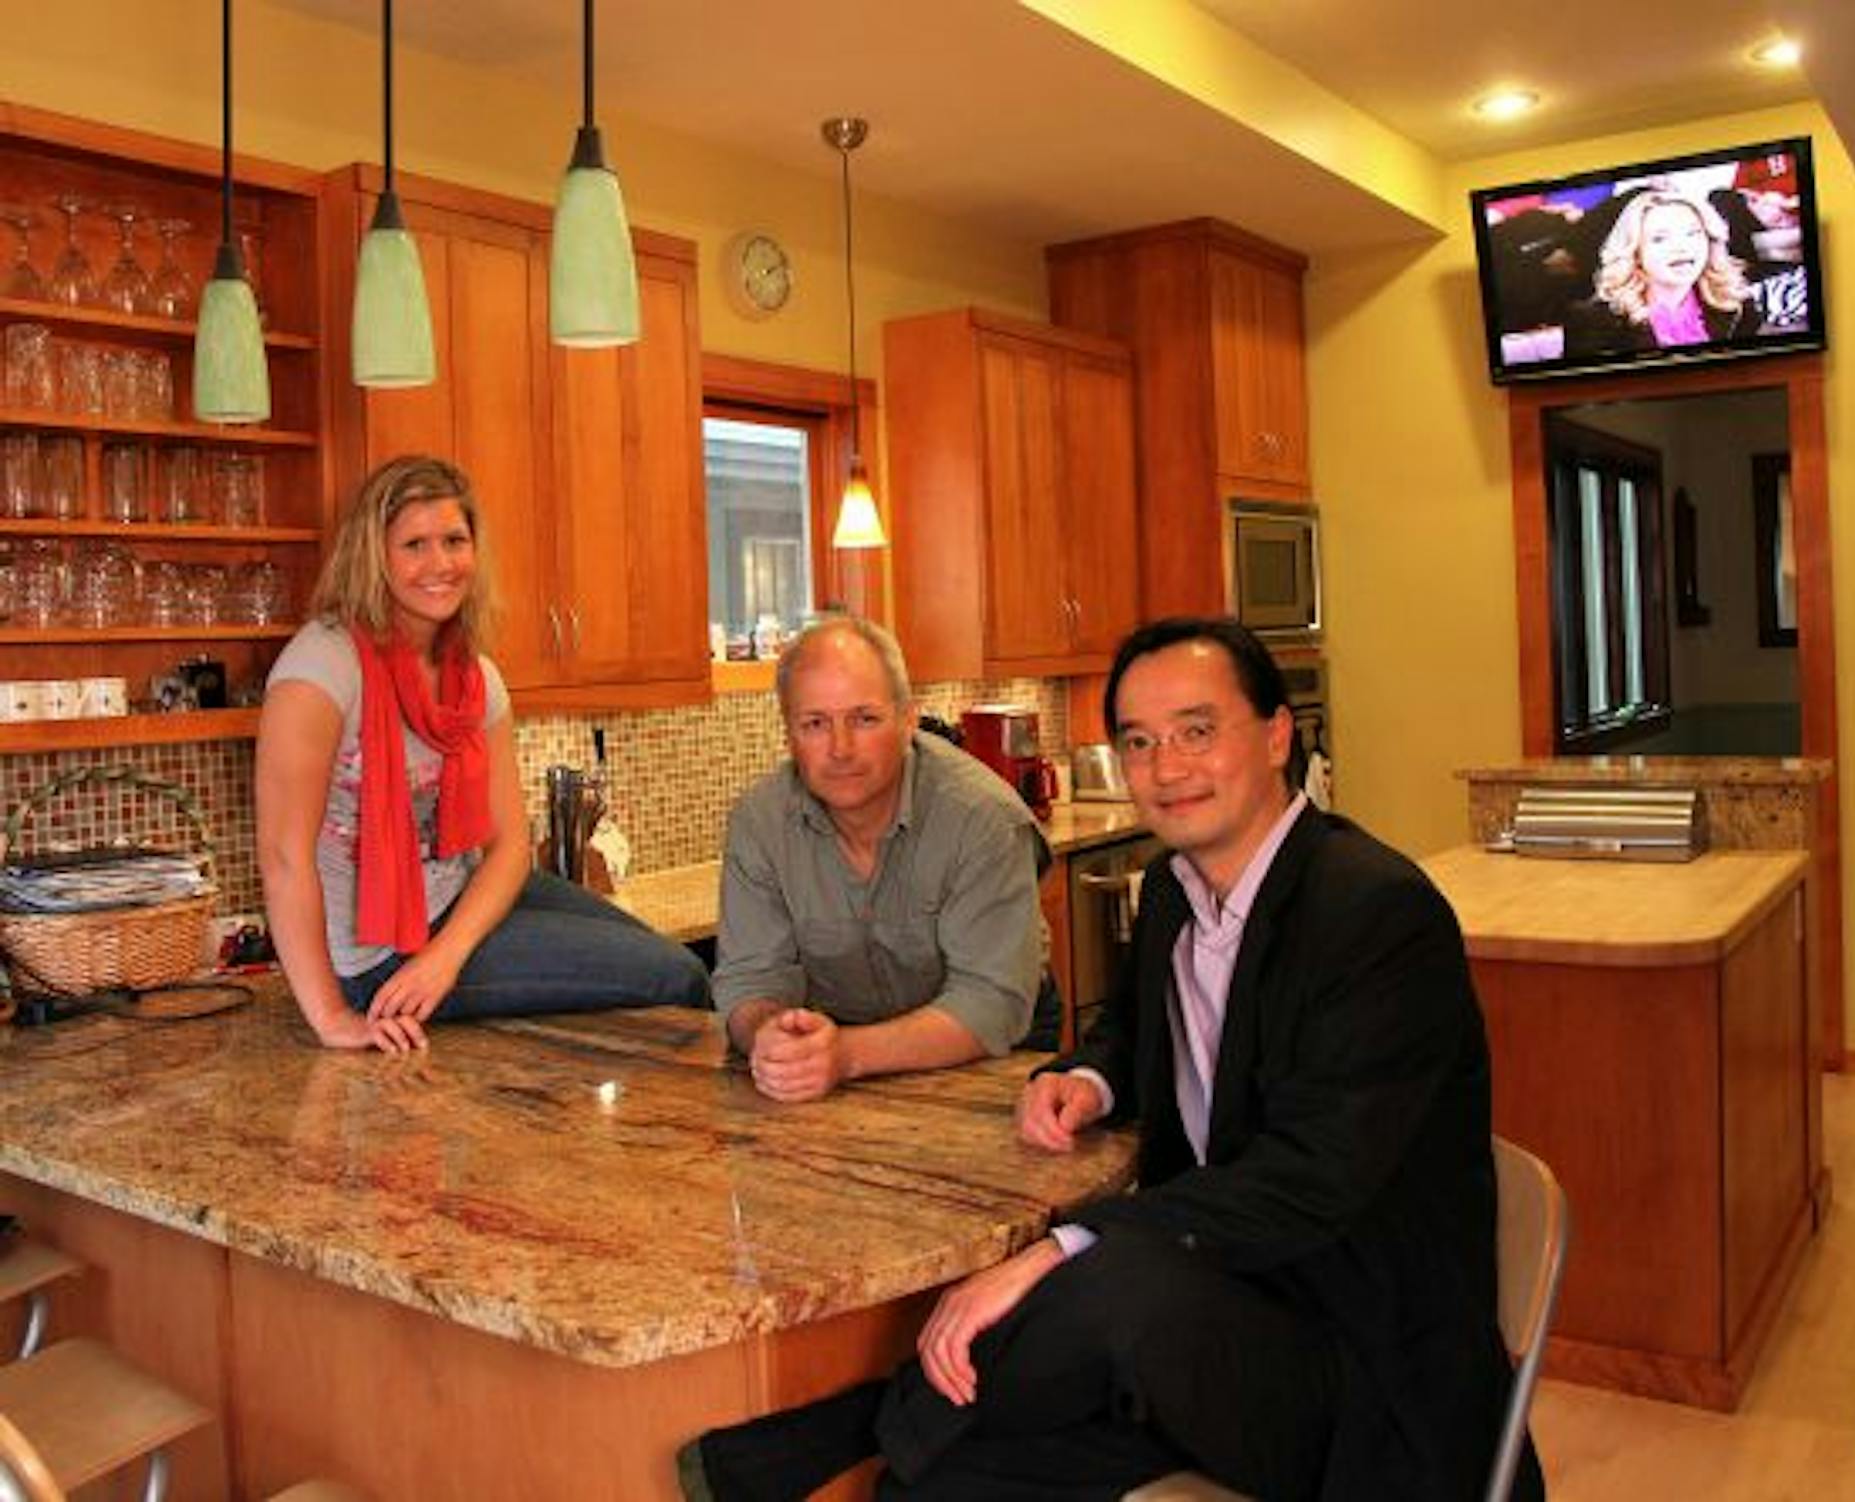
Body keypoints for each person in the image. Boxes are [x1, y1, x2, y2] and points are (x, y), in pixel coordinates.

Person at [681, 617, 1537, 1501]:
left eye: (1197, 732)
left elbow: (1308, 1181)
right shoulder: (1174, 889)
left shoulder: (1376, 914)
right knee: (934, 1483)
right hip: (1220, 1316)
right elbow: (1133, 1029)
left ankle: (837, 1432)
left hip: (1362, 1366)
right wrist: (1083, 1078)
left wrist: (1064, 1247)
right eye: (1140, 741)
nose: (1167, 767)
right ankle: (880, 1439)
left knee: (1113, 1284)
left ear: (1278, 734)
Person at [255, 454, 709, 1054]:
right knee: (675, 977)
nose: (440, 564)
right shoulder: (321, 670)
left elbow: (510, 847)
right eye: (414, 544)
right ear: (375, 555)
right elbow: (285, 858)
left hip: (452, 915)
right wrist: (332, 1016)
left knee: (675, 964)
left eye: (454, 540)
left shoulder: (474, 677)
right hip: (376, 957)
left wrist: (446, 960)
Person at [711, 616, 1045, 1102]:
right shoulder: (759, 824)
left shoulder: (982, 818)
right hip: (833, 1065)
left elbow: (990, 1004)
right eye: (815, 724)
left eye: (864, 718)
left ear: (909, 719)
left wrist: (845, 1054)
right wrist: (770, 1034)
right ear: (788, 733)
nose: (840, 749)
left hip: (992, 1057)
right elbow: (749, 980)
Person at [1563, 187, 1764, 358]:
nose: (1681, 248)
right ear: (1635, 252)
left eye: (1693, 234)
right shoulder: (1593, 320)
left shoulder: (1738, 305)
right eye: (1660, 239)